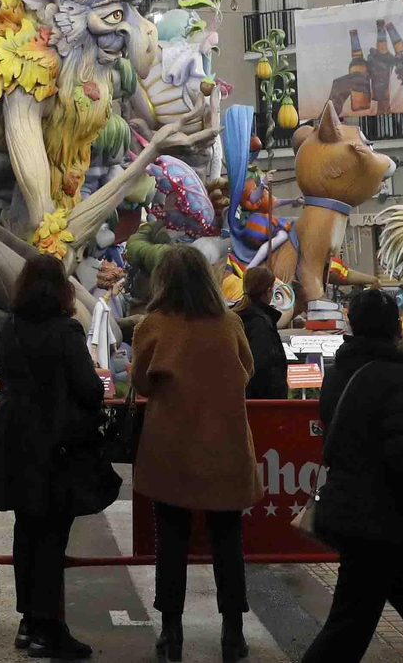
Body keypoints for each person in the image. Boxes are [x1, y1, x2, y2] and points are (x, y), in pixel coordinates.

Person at [299, 287, 403, 663]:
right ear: (395, 326)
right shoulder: (396, 375)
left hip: (358, 511)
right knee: (349, 630)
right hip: (377, 519)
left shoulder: (341, 367)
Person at [131, 244, 259, 663]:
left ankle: (171, 633)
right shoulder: (230, 323)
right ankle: (233, 634)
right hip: (225, 448)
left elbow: (143, 385)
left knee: (171, 543)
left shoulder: (154, 326)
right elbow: (248, 372)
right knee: (228, 543)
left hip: (171, 450)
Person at [0, 254, 109, 659]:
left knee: (26, 533)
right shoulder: (65, 330)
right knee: (52, 538)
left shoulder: (8, 327)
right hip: (55, 446)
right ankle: (49, 630)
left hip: (14, 442)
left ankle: (28, 622)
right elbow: (90, 390)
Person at [237, 265, 289, 400]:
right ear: (268, 291)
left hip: (244, 399)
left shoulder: (238, 316)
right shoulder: (260, 323)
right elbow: (263, 366)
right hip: (264, 404)